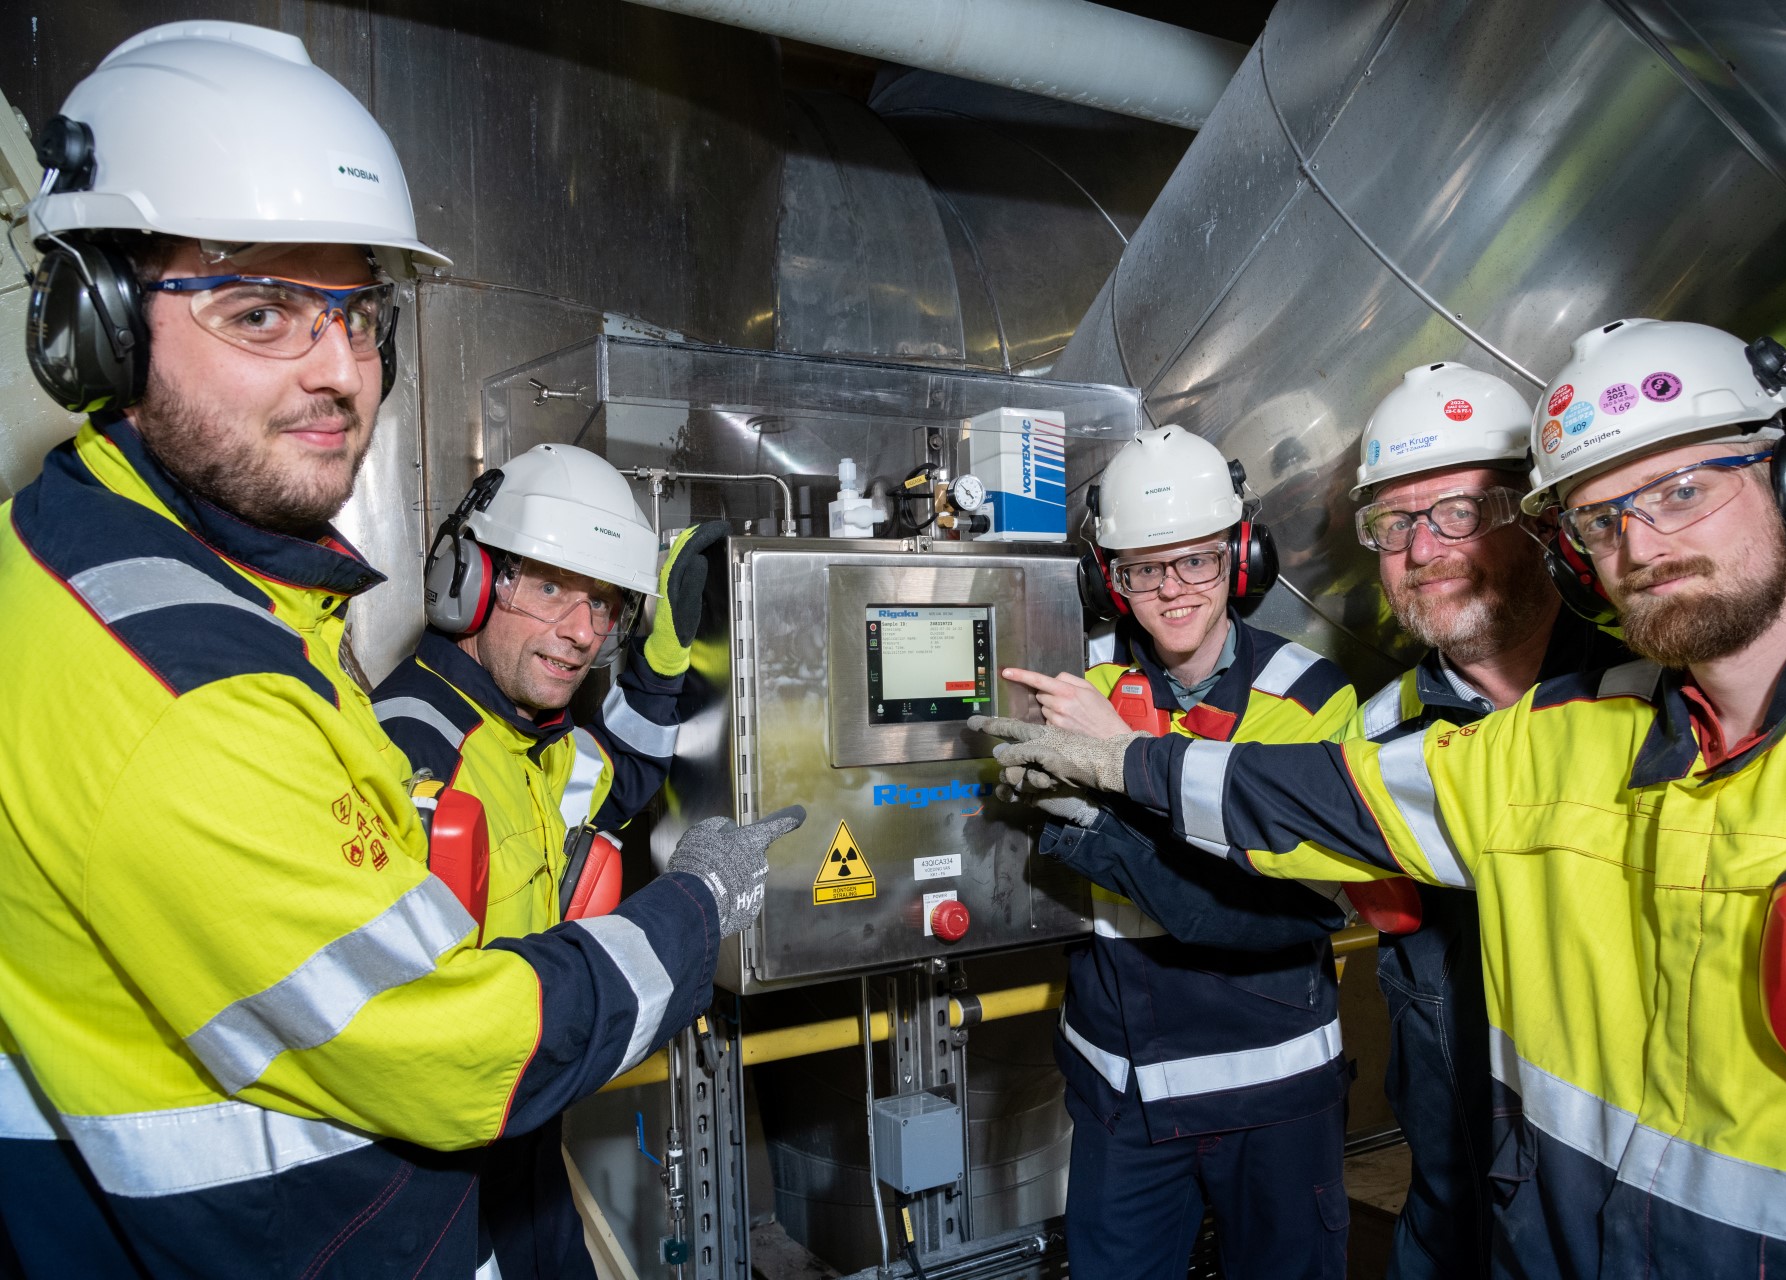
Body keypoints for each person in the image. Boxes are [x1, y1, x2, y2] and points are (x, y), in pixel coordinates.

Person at [0, 22, 800, 1278]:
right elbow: (453, 1046)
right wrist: (699, 907)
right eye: (260, 311)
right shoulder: (215, 693)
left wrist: (663, 658)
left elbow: (608, 779)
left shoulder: (220, 601)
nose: (341, 372)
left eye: (360, 316)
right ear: (96, 321)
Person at [980, 319, 1786, 1276]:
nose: (1642, 544)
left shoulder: (1634, 722)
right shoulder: (1463, 742)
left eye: (1684, 490)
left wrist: (1112, 795)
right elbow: (1290, 801)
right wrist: (1122, 767)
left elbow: (1274, 894)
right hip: (1494, 1213)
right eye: (1395, 525)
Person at [999, 424, 1356, 1278]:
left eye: (1194, 560)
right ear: (1110, 581)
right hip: (1124, 1099)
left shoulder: (1307, 702)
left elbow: (1278, 913)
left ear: (1240, 559)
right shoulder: (1076, 693)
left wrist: (1113, 781)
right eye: (1143, 569)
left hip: (1272, 1099)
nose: (1172, 590)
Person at [372, 444, 726, 1277]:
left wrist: (658, 664)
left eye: (605, 604)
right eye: (550, 586)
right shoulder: (403, 752)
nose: (580, 632)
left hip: (528, 1159)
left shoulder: (536, 736)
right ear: (470, 578)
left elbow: (618, 779)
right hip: (432, 1185)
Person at [1347, 363, 1624, 1278]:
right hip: (1448, 1183)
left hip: (1620, 1200)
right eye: (1395, 523)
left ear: (1538, 520)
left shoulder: (1651, 695)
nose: (1424, 550)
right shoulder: (1377, 732)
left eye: (1460, 511)